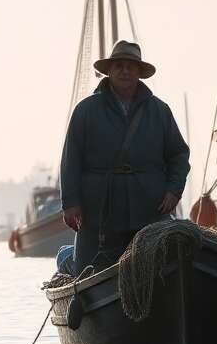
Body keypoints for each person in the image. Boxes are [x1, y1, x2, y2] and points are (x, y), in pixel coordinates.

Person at [60, 40, 189, 274]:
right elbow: (71, 159)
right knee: (87, 274)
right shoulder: (85, 111)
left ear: (140, 72)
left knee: (161, 269)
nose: (125, 70)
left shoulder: (160, 111)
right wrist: (70, 203)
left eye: (131, 66)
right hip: (98, 211)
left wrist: (174, 190)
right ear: (108, 70)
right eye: (119, 65)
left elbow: (179, 154)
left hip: (149, 209)